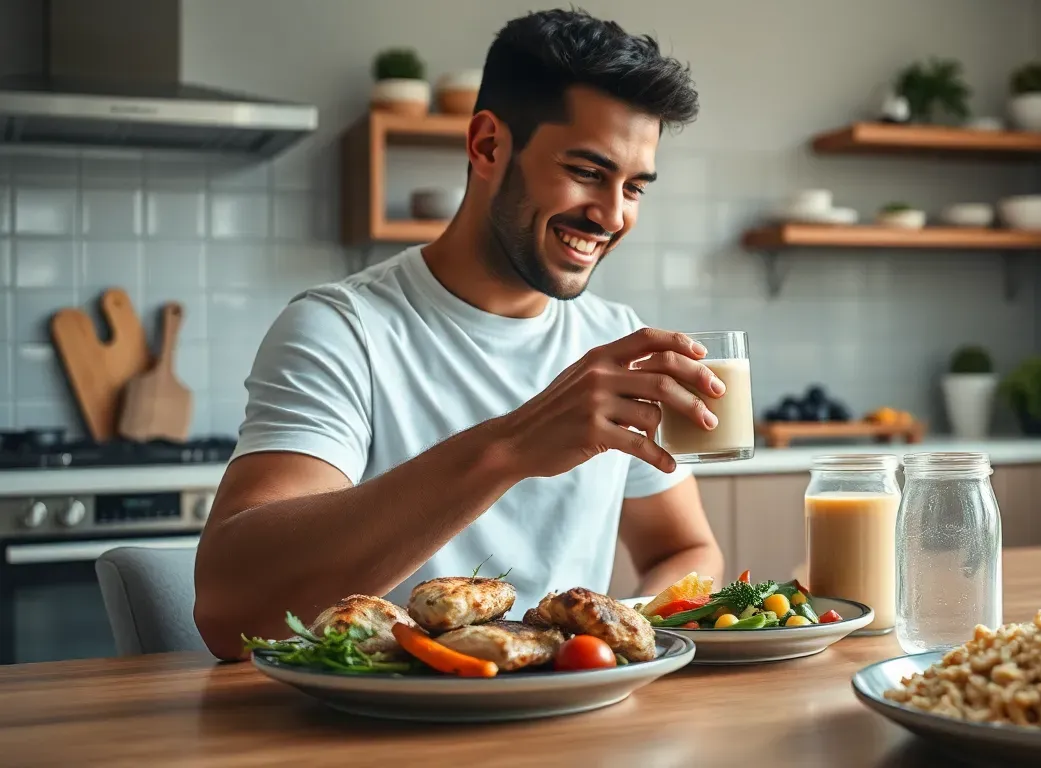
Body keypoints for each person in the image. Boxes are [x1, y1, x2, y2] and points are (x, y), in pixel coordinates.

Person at [193, 8, 726, 660]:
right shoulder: (342, 330)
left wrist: (619, 631)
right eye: (587, 172)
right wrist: (511, 448)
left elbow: (685, 550)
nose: (612, 215)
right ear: (487, 146)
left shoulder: (616, 341)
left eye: (634, 188)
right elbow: (228, 611)